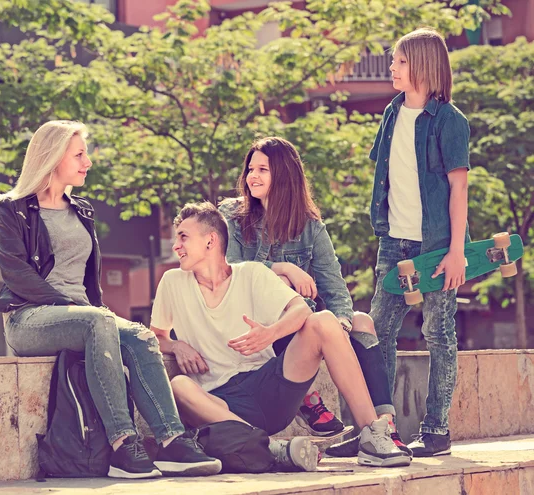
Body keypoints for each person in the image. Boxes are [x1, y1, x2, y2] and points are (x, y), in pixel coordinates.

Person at [0, 121, 221, 479]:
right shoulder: (14, 209)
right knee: (98, 320)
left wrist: (96, 314)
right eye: (80, 154)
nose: (88, 162)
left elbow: (87, 282)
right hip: (28, 318)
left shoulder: (81, 209)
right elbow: (16, 275)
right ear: (54, 158)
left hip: (83, 318)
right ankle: (122, 445)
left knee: (141, 335)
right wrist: (81, 311)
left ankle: (173, 441)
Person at [150, 202, 411, 468]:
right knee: (180, 385)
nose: (176, 246)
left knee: (323, 321)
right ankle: (270, 449)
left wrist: (270, 334)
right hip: (222, 403)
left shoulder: (251, 274)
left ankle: (371, 435)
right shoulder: (172, 282)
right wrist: (176, 346)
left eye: (183, 237)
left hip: (270, 387)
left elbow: (299, 309)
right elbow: (156, 336)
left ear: (210, 241)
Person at [218, 137, 411, 458]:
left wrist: (342, 324)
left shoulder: (311, 228)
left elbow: (335, 289)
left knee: (361, 320)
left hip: (302, 326)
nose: (253, 176)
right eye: (251, 169)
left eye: (263, 169)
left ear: (284, 174)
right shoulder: (233, 216)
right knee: (277, 281)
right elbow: (231, 270)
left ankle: (382, 426)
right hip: (251, 321)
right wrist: (283, 268)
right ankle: (308, 399)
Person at [368, 28, 470, 457]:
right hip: (393, 241)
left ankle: (436, 431)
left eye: (400, 61)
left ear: (423, 66)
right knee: (375, 332)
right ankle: (378, 428)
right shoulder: (392, 113)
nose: (392, 67)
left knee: (438, 333)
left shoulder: (450, 121)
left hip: (436, 246)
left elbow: (458, 189)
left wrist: (457, 251)